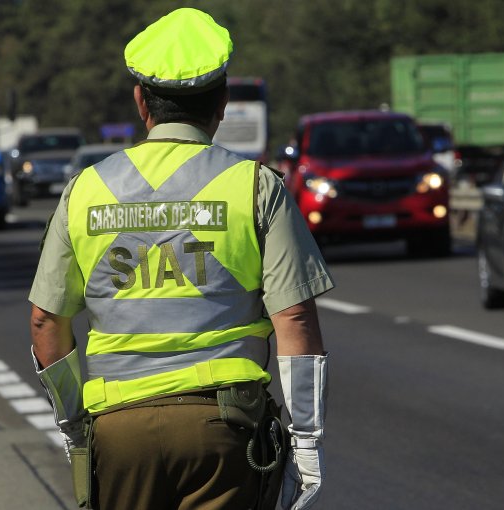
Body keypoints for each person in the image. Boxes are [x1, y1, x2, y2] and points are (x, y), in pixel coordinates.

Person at [28, 7, 333, 510]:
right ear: (223, 103)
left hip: (119, 430)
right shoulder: (255, 187)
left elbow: (45, 322)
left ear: (140, 102)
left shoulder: (85, 190)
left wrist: (74, 427)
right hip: (226, 430)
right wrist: (306, 441)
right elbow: (294, 317)